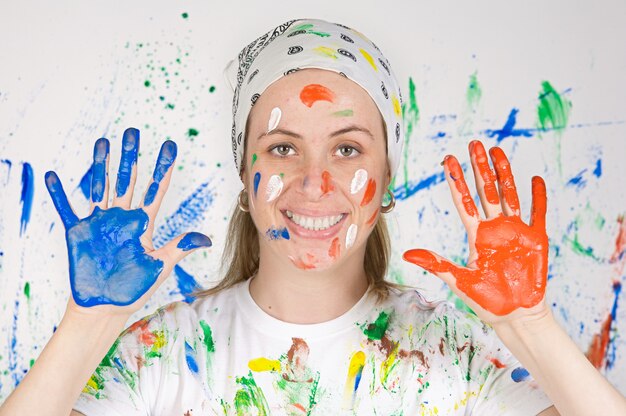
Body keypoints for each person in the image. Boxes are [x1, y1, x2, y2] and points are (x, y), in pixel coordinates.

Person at [1, 17, 625, 416]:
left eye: (348, 148)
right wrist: (89, 324)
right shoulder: (172, 350)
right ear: (245, 177)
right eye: (281, 148)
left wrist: (530, 325)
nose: (314, 182)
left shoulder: (447, 352)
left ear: (386, 183)